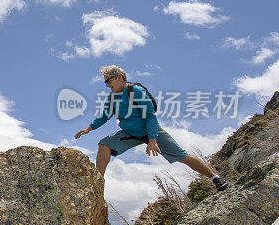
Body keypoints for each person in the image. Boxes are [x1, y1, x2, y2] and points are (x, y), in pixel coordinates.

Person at [74, 65, 228, 191]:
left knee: (183, 157)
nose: (107, 85)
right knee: (104, 144)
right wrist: (89, 128)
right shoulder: (112, 97)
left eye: (108, 81)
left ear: (119, 78)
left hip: (151, 130)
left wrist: (152, 139)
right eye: (105, 82)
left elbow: (150, 116)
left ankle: (216, 178)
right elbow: (104, 116)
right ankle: (98, 183)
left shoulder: (136, 91)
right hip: (131, 133)